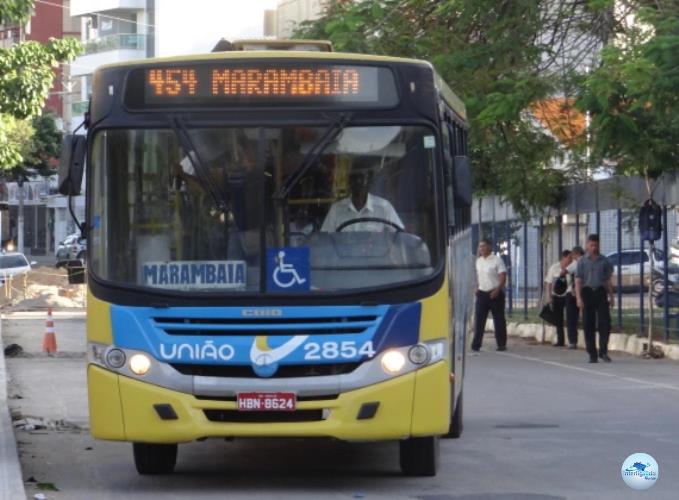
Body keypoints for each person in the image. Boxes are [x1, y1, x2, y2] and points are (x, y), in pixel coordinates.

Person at [321, 158, 404, 232]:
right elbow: (325, 239)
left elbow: (399, 237)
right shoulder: (336, 210)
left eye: (362, 177)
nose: (358, 181)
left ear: (370, 181)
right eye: (354, 177)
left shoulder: (384, 207)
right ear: (349, 181)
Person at [575, 235, 614, 363]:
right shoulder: (581, 261)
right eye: (591, 245)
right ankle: (592, 353)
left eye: (596, 245)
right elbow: (578, 280)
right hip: (587, 292)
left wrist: (611, 296)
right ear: (587, 245)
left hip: (600, 292)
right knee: (588, 323)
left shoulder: (604, 261)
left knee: (605, 322)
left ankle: (603, 351)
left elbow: (608, 280)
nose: (594, 248)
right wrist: (579, 298)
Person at [472, 239, 508, 352]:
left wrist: (497, 290)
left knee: (499, 319)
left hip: (495, 293)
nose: (481, 249)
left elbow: (502, 276)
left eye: (483, 246)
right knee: (479, 319)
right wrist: (477, 287)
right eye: (480, 247)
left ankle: (501, 344)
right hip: (482, 293)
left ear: (489, 247)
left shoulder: (497, 260)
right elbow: (479, 275)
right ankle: (476, 344)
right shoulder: (478, 261)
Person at [545, 250, 572, 347]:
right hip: (556, 296)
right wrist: (549, 296)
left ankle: (572, 340)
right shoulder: (554, 268)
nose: (570, 260)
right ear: (563, 257)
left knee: (570, 317)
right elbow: (549, 283)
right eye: (569, 258)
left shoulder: (571, 268)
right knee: (558, 319)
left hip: (568, 295)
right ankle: (560, 340)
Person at [565, 246, 584, 349]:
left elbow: (563, 272)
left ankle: (572, 341)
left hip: (572, 293)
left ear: (576, 254)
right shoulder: (587, 261)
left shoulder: (576, 263)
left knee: (571, 318)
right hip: (586, 291)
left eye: (573, 254)